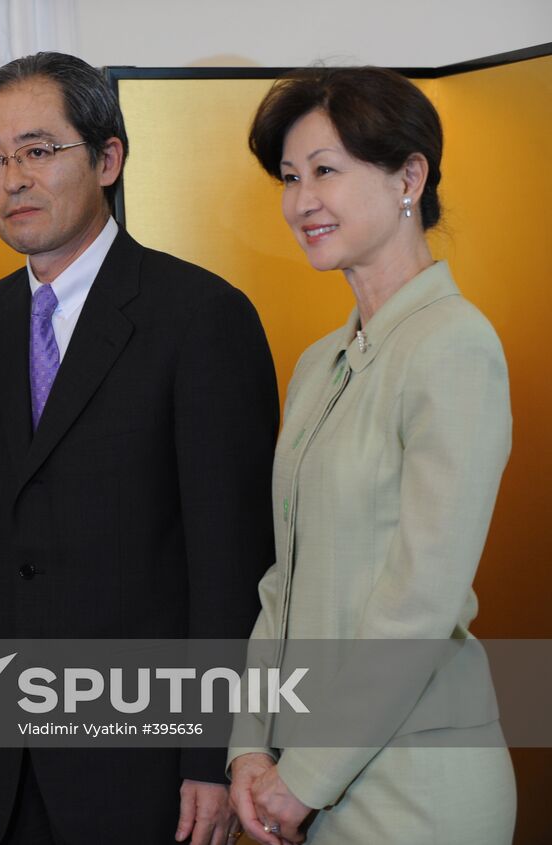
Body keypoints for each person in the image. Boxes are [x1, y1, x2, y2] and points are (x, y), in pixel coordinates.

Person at [0, 52, 279, 844]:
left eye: (37, 150)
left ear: (108, 158)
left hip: (152, 760)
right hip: (17, 756)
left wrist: (212, 751)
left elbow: (232, 561)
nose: (12, 179)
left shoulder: (200, 316)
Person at [227, 67, 516, 845]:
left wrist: (304, 777)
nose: (300, 201)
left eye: (327, 170)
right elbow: (282, 581)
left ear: (408, 178)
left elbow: (420, 600)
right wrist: (251, 745)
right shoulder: (321, 362)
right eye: (290, 177)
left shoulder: (454, 344)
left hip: (415, 787)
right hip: (305, 779)